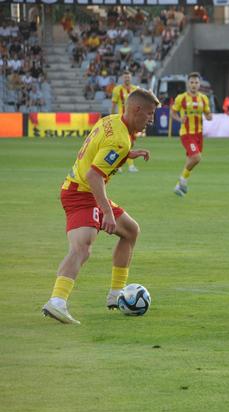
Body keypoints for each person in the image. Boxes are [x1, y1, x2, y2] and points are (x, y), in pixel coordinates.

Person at [42, 89, 160, 324]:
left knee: (131, 231)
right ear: (136, 110)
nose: (151, 119)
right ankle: (57, 302)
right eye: (149, 113)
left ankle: (116, 295)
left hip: (82, 189)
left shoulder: (112, 121)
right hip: (82, 193)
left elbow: (100, 151)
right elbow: (94, 175)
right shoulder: (120, 139)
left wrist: (127, 155)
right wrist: (106, 211)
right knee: (82, 248)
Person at [170, 72, 212, 196]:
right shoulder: (181, 98)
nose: (194, 85)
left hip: (199, 134)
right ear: (188, 84)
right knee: (196, 157)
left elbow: (208, 113)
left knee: (191, 160)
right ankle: (182, 180)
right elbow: (173, 113)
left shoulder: (204, 98)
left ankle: (179, 186)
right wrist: (179, 119)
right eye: (192, 82)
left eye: (196, 82)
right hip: (187, 134)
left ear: (199, 84)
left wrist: (209, 116)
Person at [111, 70, 140, 172]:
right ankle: (129, 165)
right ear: (122, 78)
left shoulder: (135, 90)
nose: (127, 79)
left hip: (133, 121)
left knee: (131, 143)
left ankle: (118, 164)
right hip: (121, 120)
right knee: (125, 142)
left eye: (128, 77)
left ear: (131, 78)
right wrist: (112, 118)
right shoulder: (117, 90)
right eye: (125, 77)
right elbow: (113, 105)